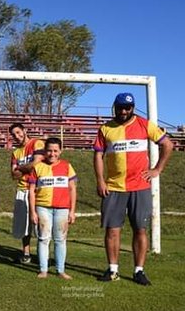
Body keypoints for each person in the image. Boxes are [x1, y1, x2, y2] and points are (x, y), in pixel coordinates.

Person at [94, 92, 173, 286]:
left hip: (140, 186)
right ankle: (113, 270)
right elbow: (97, 156)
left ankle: (139, 271)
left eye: (127, 108)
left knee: (140, 229)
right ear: (115, 107)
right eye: (120, 107)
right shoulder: (105, 128)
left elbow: (167, 145)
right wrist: (100, 181)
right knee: (112, 230)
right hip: (114, 187)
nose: (123, 111)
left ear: (133, 108)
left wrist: (157, 169)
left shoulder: (144, 124)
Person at [28, 138, 77, 280]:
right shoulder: (37, 167)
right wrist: (33, 212)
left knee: (60, 239)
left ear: (60, 151)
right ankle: (43, 270)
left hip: (62, 208)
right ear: (45, 151)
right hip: (42, 207)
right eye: (49, 150)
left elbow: (72, 189)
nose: (52, 153)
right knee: (43, 238)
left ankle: (60, 270)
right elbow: (31, 191)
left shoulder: (67, 166)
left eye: (55, 150)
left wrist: (72, 211)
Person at [9, 123, 45, 264]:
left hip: (38, 190)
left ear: (24, 130)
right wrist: (26, 168)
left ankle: (43, 254)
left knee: (41, 224)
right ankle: (26, 253)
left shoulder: (37, 143)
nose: (17, 136)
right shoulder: (16, 152)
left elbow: (36, 163)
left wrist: (20, 168)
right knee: (25, 226)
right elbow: (14, 175)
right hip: (22, 189)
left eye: (18, 132)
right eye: (13, 135)